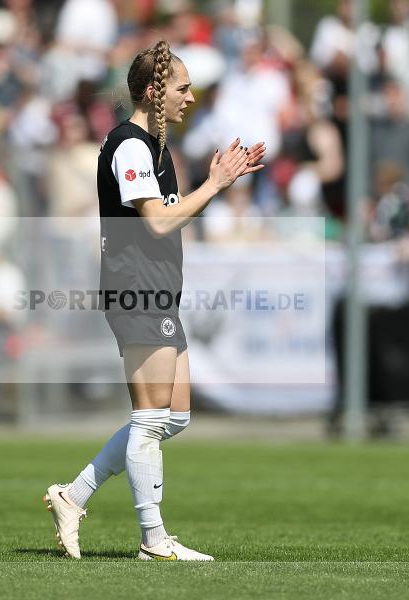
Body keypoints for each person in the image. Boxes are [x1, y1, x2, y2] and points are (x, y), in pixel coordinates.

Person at [43, 39, 265, 561]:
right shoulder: (130, 146)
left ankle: (73, 496)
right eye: (183, 89)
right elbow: (159, 221)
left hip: (157, 291)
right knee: (149, 418)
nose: (190, 98)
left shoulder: (154, 148)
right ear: (153, 91)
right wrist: (215, 184)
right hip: (135, 290)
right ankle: (154, 540)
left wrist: (221, 183)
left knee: (175, 417)